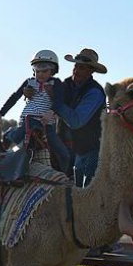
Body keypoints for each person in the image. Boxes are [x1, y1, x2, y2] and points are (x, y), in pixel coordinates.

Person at [0, 50, 70, 172]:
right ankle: (9, 135)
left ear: (52, 70)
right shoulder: (29, 82)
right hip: (29, 120)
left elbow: (59, 100)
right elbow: (15, 97)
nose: (40, 74)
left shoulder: (56, 83)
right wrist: (1, 113)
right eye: (37, 71)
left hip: (47, 125)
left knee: (64, 154)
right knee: (21, 134)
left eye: (44, 71)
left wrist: (51, 112)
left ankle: (62, 177)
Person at [47, 48, 108, 187]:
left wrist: (55, 100)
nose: (76, 71)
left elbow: (76, 121)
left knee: (85, 192)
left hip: (89, 151)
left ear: (91, 71)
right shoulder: (67, 85)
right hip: (68, 149)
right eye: (76, 66)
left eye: (82, 68)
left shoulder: (95, 92)